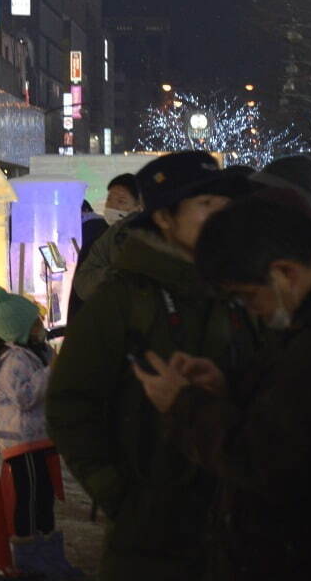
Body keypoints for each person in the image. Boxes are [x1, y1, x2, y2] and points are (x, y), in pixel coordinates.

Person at [46, 151, 256, 581]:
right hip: (150, 541)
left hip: (242, 528)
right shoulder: (124, 299)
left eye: (224, 206)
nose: (221, 218)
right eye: (205, 206)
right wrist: (122, 495)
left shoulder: (240, 290)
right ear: (163, 218)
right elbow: (70, 402)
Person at [130, 193, 311, 580]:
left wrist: (183, 405)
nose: (250, 309)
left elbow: (265, 459)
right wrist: (229, 387)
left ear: (285, 273)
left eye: (247, 296)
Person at [0, 287, 84, 579]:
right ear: (22, 330)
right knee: (30, 499)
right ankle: (31, 560)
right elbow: (24, 397)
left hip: (37, 439)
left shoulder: (31, 354)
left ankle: (50, 557)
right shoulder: (12, 361)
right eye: (36, 324)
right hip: (21, 441)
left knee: (45, 496)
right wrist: (51, 371)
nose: (42, 327)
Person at [68, 174, 142, 312]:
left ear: (139, 206)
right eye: (109, 199)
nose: (112, 206)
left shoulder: (147, 238)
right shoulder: (103, 236)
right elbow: (82, 283)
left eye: (121, 201)